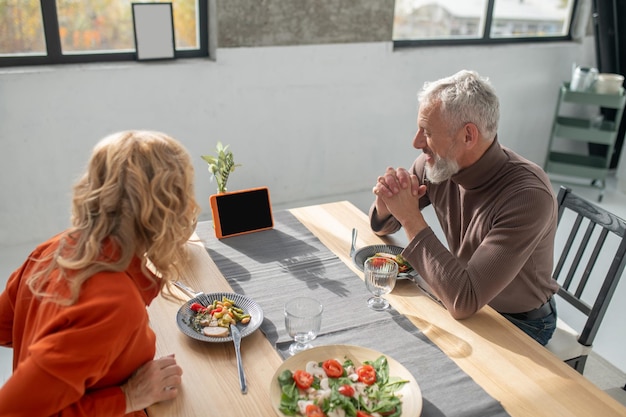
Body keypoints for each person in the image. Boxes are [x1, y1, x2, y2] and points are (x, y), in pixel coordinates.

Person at [0, 130, 201, 415]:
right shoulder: (114, 304)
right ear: (168, 211)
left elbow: (6, 327)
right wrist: (128, 397)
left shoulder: (56, 248)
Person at [370, 70, 559, 345]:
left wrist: (411, 217)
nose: (417, 142)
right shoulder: (439, 164)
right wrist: (387, 198)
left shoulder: (528, 196)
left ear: (468, 135)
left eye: (428, 132)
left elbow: (464, 300)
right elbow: (383, 226)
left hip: (517, 323)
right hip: (459, 294)